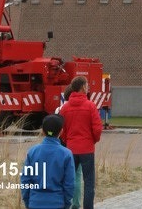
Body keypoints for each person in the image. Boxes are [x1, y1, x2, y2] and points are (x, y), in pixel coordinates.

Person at [60, 76, 103, 209]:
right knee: (89, 182)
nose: (88, 87)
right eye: (87, 85)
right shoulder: (90, 106)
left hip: (71, 148)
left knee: (69, 180)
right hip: (87, 149)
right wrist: (92, 140)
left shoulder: (65, 108)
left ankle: (68, 205)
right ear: (83, 87)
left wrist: (68, 141)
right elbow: (97, 128)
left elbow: (62, 130)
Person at [20, 113, 75, 209]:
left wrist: (28, 201)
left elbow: (25, 181)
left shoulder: (32, 152)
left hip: (35, 202)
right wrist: (66, 203)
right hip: (57, 203)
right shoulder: (66, 154)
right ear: (61, 131)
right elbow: (69, 184)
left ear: (42, 131)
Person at [61, 84, 83, 209]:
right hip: (80, 147)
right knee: (77, 176)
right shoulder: (85, 107)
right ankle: (76, 204)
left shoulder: (63, 109)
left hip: (65, 145)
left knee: (64, 176)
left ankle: (65, 203)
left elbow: (61, 129)